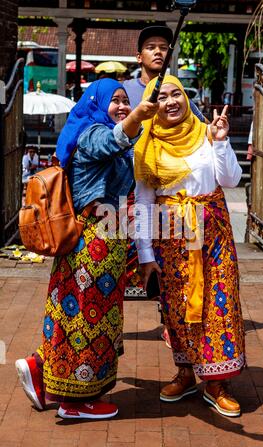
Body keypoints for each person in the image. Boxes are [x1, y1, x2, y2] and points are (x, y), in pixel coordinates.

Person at [15, 78, 159, 420]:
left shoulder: (103, 135)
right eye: (116, 101)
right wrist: (137, 114)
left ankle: (41, 369)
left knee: (72, 313)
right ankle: (76, 402)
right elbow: (113, 138)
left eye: (126, 100)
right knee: (88, 319)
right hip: (93, 245)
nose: (122, 105)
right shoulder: (92, 133)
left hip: (100, 243)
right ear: (97, 103)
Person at [134, 75, 245, 418]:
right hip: (170, 240)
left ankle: (217, 383)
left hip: (213, 237)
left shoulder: (205, 134)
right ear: (153, 105)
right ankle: (185, 372)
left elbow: (230, 180)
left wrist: (222, 141)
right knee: (177, 309)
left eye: (175, 94)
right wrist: (146, 255)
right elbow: (143, 204)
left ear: (185, 98)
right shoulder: (147, 146)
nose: (170, 102)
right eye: (162, 96)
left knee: (218, 304)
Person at [123, 25, 207, 348]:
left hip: (170, 197)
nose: (158, 51)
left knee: (174, 268)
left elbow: (197, 129)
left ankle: (173, 325)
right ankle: (110, 323)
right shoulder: (125, 92)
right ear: (139, 55)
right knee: (125, 266)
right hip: (130, 190)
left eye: (163, 47)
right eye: (151, 47)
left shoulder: (176, 92)